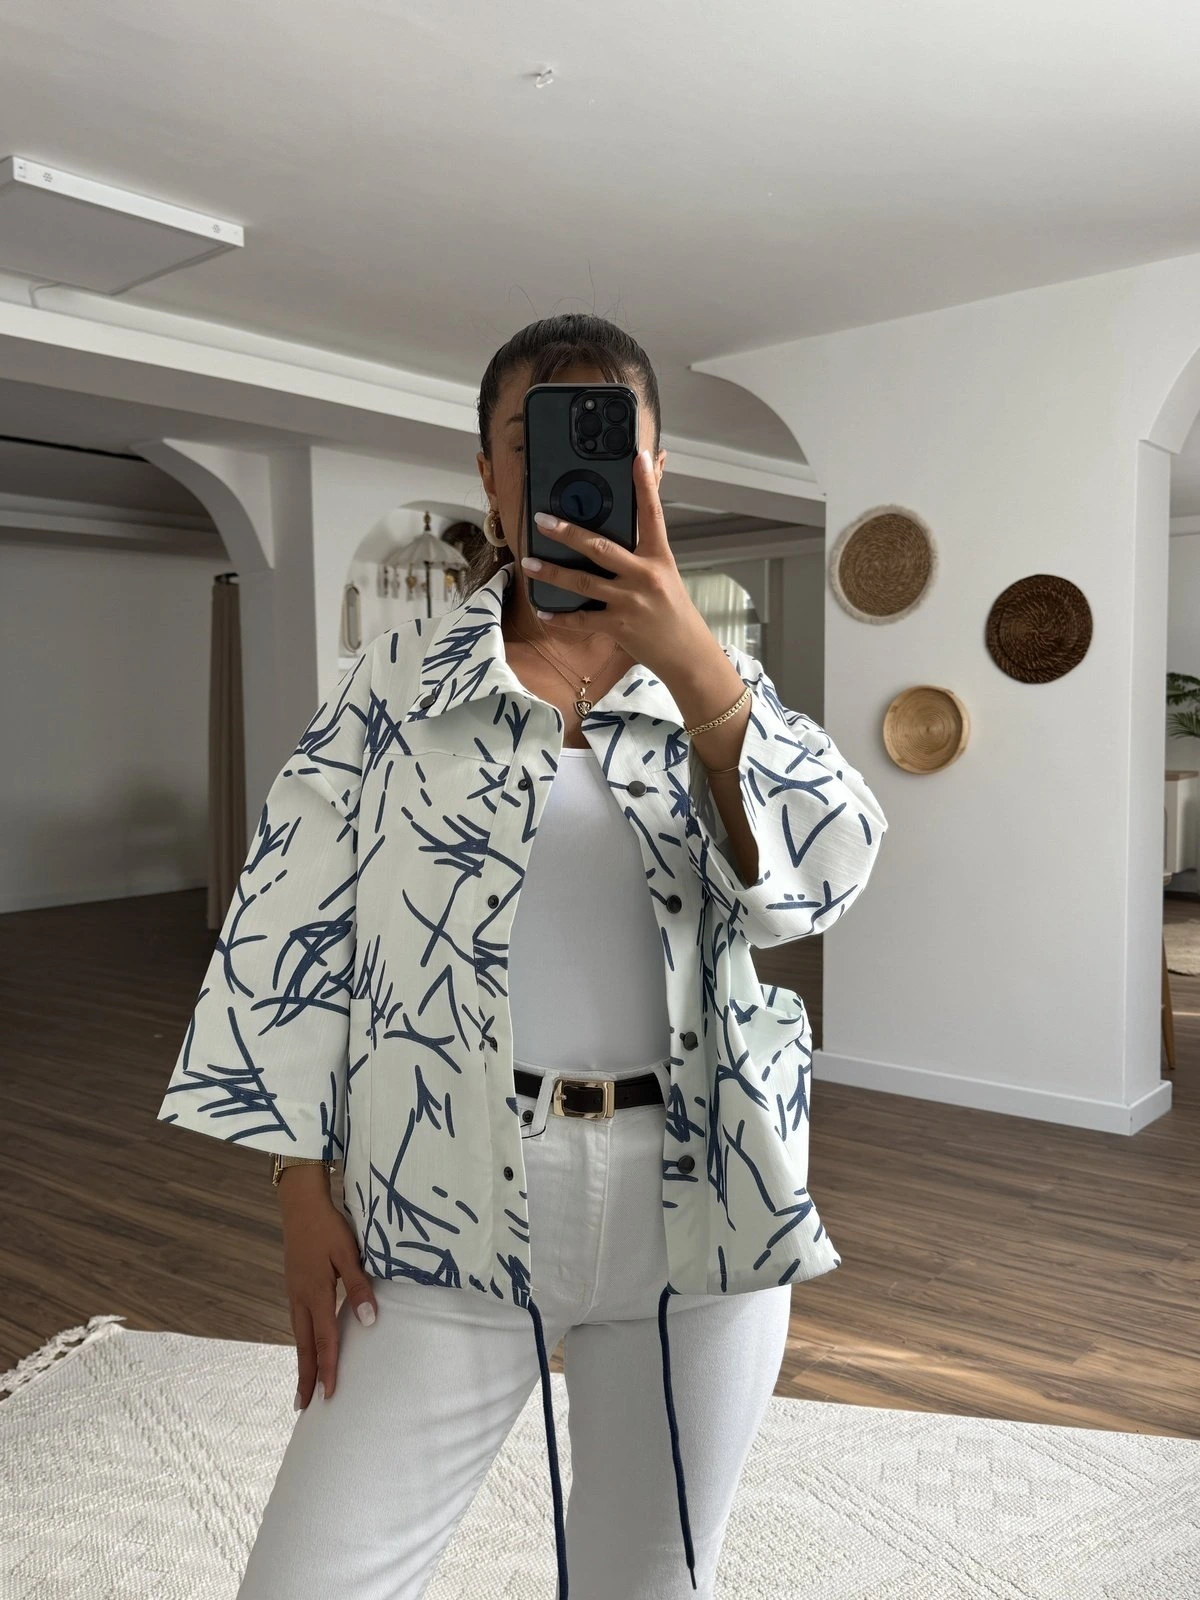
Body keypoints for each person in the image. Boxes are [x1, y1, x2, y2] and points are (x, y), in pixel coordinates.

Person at [156, 312, 889, 1599]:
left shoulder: (718, 682)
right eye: (530, 442)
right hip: (436, 1192)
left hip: (699, 1205)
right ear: (491, 476)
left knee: (645, 1579)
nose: (570, 472)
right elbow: (286, 931)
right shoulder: (392, 689)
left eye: (615, 443)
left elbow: (825, 880)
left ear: (657, 471)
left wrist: (698, 670)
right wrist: (297, 1187)